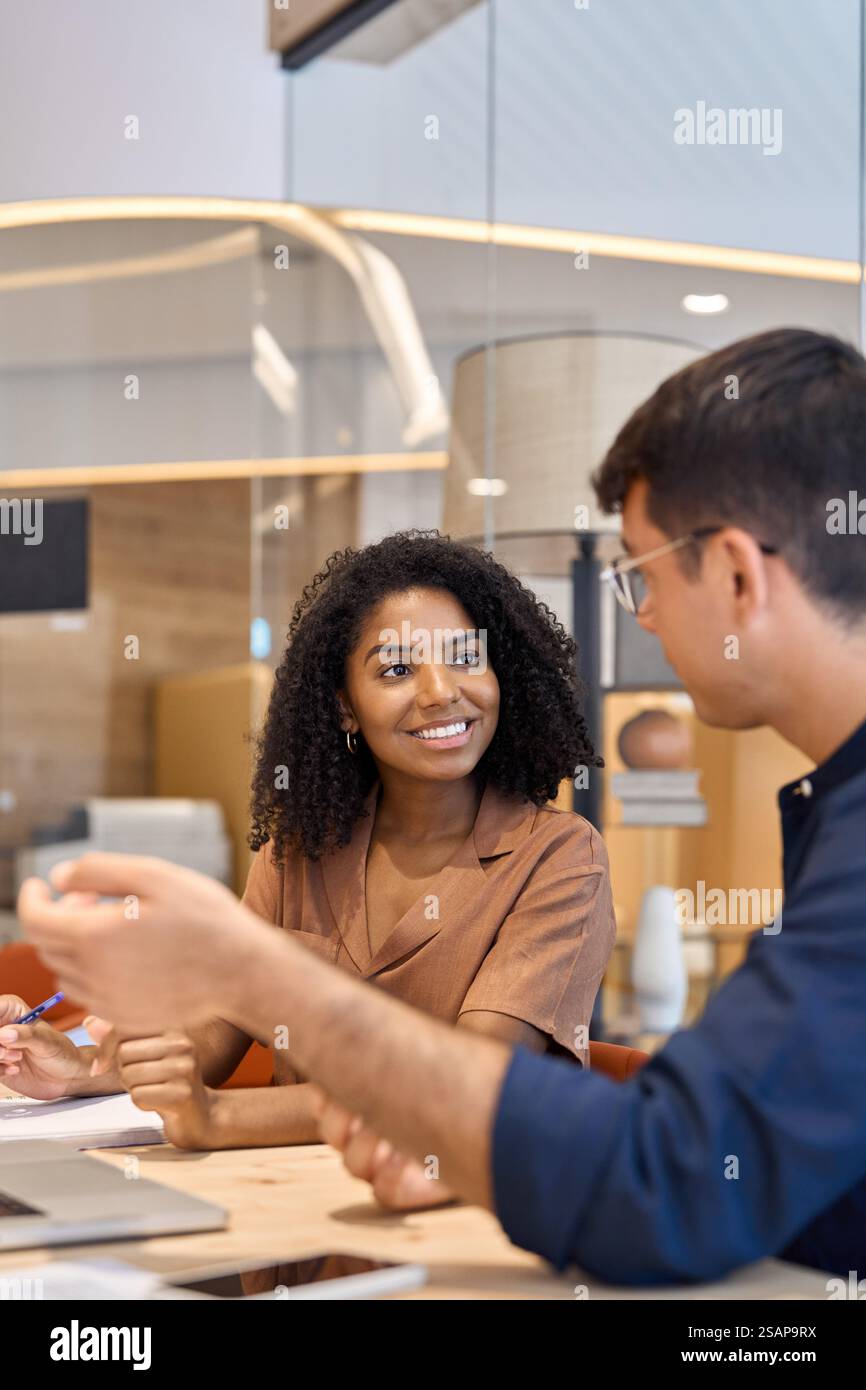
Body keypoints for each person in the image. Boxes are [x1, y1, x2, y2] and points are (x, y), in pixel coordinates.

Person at [18, 327, 866, 1282]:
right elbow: (712, 1152)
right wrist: (120, 1058)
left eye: (640, 575)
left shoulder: (577, 854)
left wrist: (260, 975)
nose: (645, 616)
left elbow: (666, 1172)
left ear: (741, 578)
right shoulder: (837, 819)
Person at [2, 534, 614, 1198]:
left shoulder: (559, 859)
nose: (442, 693)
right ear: (345, 705)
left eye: (466, 657)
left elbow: (468, 1084)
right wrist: (88, 1068)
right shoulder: (299, 849)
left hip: (457, 1234)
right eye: (396, 670)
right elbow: (217, 1025)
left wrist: (217, 1117)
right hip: (285, 1218)